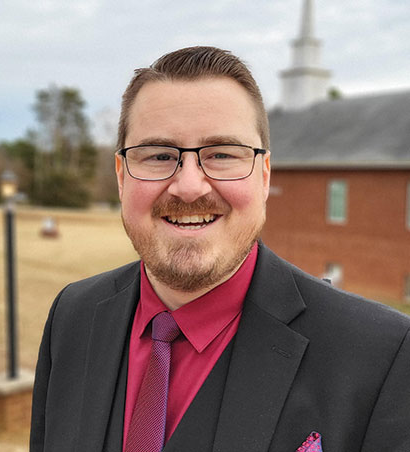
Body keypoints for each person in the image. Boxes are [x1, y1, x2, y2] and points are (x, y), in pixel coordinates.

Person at [30, 46, 410, 452]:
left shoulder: (382, 355)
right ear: (122, 177)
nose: (189, 187)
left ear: (264, 176)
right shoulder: (73, 316)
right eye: (159, 155)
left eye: (222, 154)